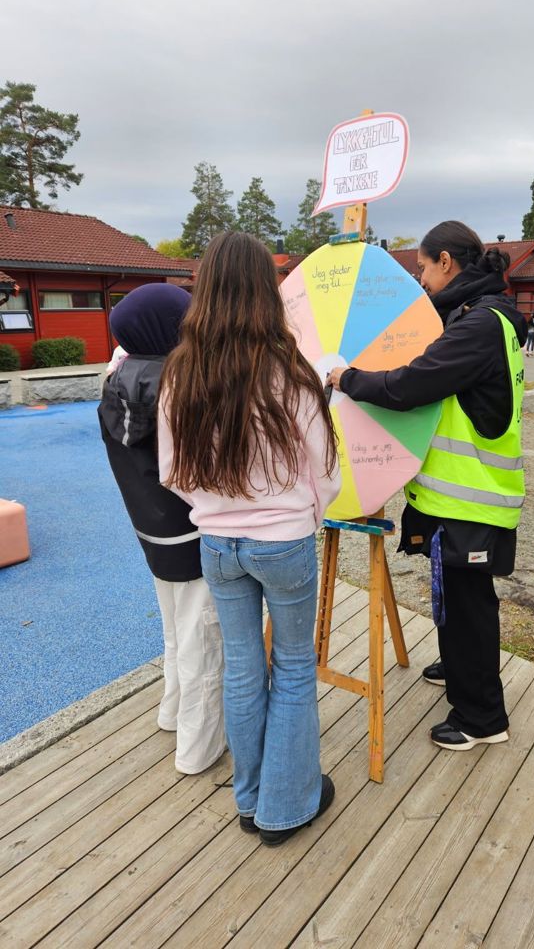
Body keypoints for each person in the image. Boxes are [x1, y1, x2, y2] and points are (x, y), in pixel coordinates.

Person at [158, 232, 341, 846]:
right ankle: (286, 806)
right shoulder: (291, 370)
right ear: (267, 291)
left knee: (242, 668)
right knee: (292, 666)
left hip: (216, 544)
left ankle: (251, 797)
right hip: (285, 542)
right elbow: (325, 469)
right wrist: (306, 515)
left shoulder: (182, 371)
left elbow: (170, 471)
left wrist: (213, 509)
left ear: (205, 288)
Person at [329, 220, 526, 752]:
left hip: (472, 496)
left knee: (469, 606)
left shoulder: (478, 325)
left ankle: (482, 719)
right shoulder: (479, 314)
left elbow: (412, 384)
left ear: (445, 261)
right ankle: (460, 667)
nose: (420, 279)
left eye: (422, 267)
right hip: (456, 493)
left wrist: (348, 378)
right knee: (453, 596)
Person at [98, 284, 225, 775]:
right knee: (203, 643)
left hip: (151, 533)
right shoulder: (183, 391)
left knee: (176, 633)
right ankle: (198, 750)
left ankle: (171, 713)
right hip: (194, 534)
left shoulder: (115, 381)